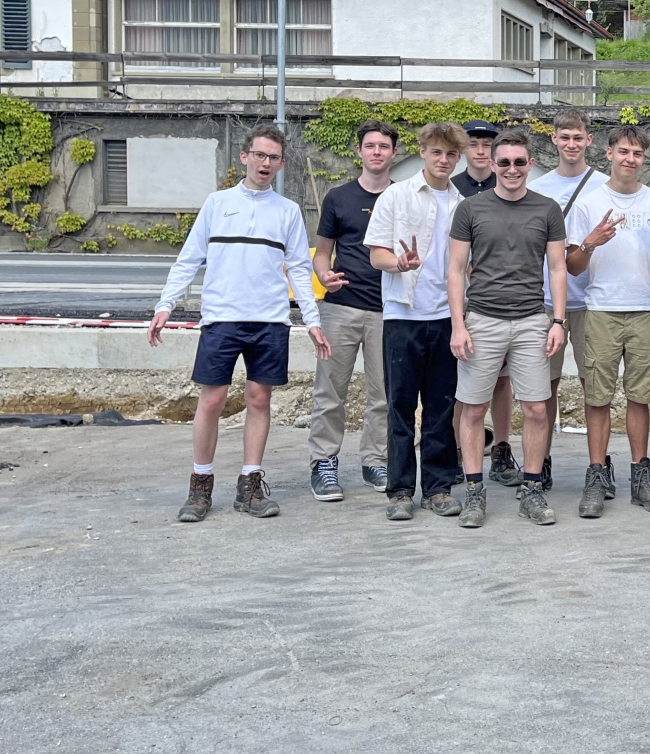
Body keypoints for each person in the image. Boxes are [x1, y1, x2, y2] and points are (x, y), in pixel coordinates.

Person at [151, 123, 330, 523]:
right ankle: (200, 484)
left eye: (274, 158)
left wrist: (313, 320)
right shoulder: (217, 204)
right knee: (211, 401)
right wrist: (166, 305)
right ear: (244, 157)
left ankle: (250, 482)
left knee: (259, 399)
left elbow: (301, 269)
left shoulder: (288, 212)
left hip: (270, 321)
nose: (266, 163)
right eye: (259, 155)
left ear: (282, 165)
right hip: (222, 318)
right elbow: (189, 258)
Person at [448, 129, 568, 527]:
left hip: (532, 320)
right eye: (504, 162)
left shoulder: (548, 209)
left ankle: (532, 492)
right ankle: (474, 493)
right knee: (472, 409)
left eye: (520, 162)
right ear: (491, 164)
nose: (512, 169)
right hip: (482, 319)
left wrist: (557, 321)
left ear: (530, 164)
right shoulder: (470, 209)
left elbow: (557, 268)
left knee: (536, 408)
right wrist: (458, 325)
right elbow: (455, 270)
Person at [364, 122, 467, 521]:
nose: (444, 160)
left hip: (447, 317)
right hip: (403, 316)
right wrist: (399, 263)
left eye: (451, 154)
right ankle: (400, 490)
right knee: (400, 407)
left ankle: (438, 488)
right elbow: (376, 255)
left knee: (442, 408)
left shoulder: (463, 203)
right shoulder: (396, 195)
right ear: (422, 151)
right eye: (437, 152)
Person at [568, 125, 650, 515]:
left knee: (640, 396)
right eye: (624, 151)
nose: (630, 159)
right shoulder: (589, 203)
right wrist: (591, 242)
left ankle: (641, 476)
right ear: (608, 153)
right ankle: (596, 474)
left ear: (644, 159)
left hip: (645, 310)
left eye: (638, 154)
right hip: (600, 311)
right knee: (597, 397)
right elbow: (573, 267)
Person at [307, 119, 397, 502]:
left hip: (389, 311)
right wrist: (324, 275)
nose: (376, 152)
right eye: (370, 145)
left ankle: (374, 459)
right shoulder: (338, 198)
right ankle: (323, 462)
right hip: (341, 308)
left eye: (384, 146)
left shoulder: (402, 197)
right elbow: (323, 252)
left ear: (394, 153)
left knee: (384, 394)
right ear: (359, 151)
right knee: (330, 391)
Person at [529, 109, 602, 492]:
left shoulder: (604, 186)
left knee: (596, 388)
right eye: (565, 137)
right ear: (554, 140)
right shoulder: (537, 187)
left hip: (593, 302)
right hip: (544, 302)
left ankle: (598, 464)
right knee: (546, 388)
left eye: (578, 137)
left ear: (589, 141)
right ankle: (540, 463)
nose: (571, 144)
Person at [453, 118, 521, 487]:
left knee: (502, 381)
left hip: (504, 303)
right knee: (465, 386)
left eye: (486, 145)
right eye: (474, 144)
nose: (480, 150)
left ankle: (502, 448)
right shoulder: (454, 190)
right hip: (467, 301)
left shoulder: (512, 186)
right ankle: (459, 453)